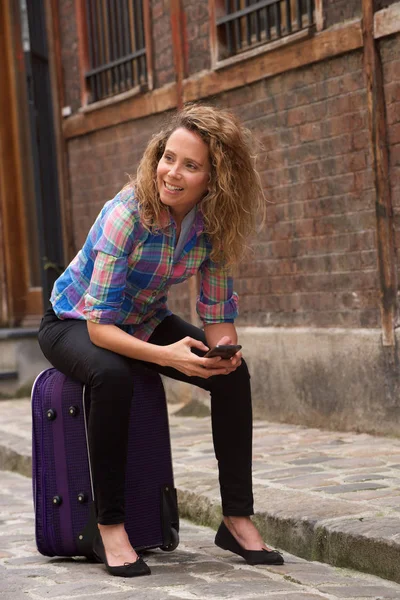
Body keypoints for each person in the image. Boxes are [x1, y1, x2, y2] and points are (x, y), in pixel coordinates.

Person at [38, 104, 284, 577]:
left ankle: (236, 519)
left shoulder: (216, 224)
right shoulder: (126, 213)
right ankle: (111, 526)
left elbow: (216, 313)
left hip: (143, 318)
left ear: (217, 178)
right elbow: (98, 326)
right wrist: (166, 357)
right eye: (168, 157)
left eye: (190, 165)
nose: (171, 172)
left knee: (233, 376)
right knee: (112, 376)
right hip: (72, 320)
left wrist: (220, 352)